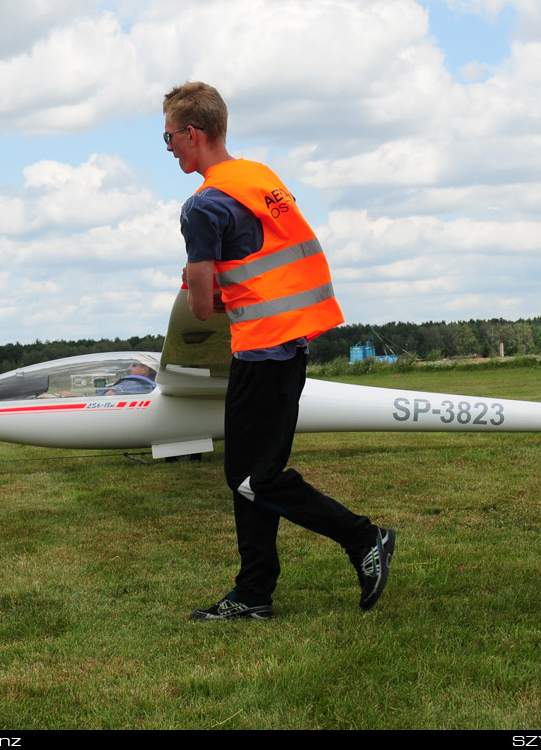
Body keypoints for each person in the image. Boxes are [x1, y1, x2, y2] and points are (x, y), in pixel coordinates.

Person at [163, 81, 394, 621]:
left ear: (192, 134)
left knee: (252, 477)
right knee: (254, 474)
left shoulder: (203, 206)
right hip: (292, 346)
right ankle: (254, 592)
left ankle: (363, 538)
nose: (170, 147)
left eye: (169, 136)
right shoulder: (260, 177)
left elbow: (201, 308)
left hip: (262, 349)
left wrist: (204, 281)